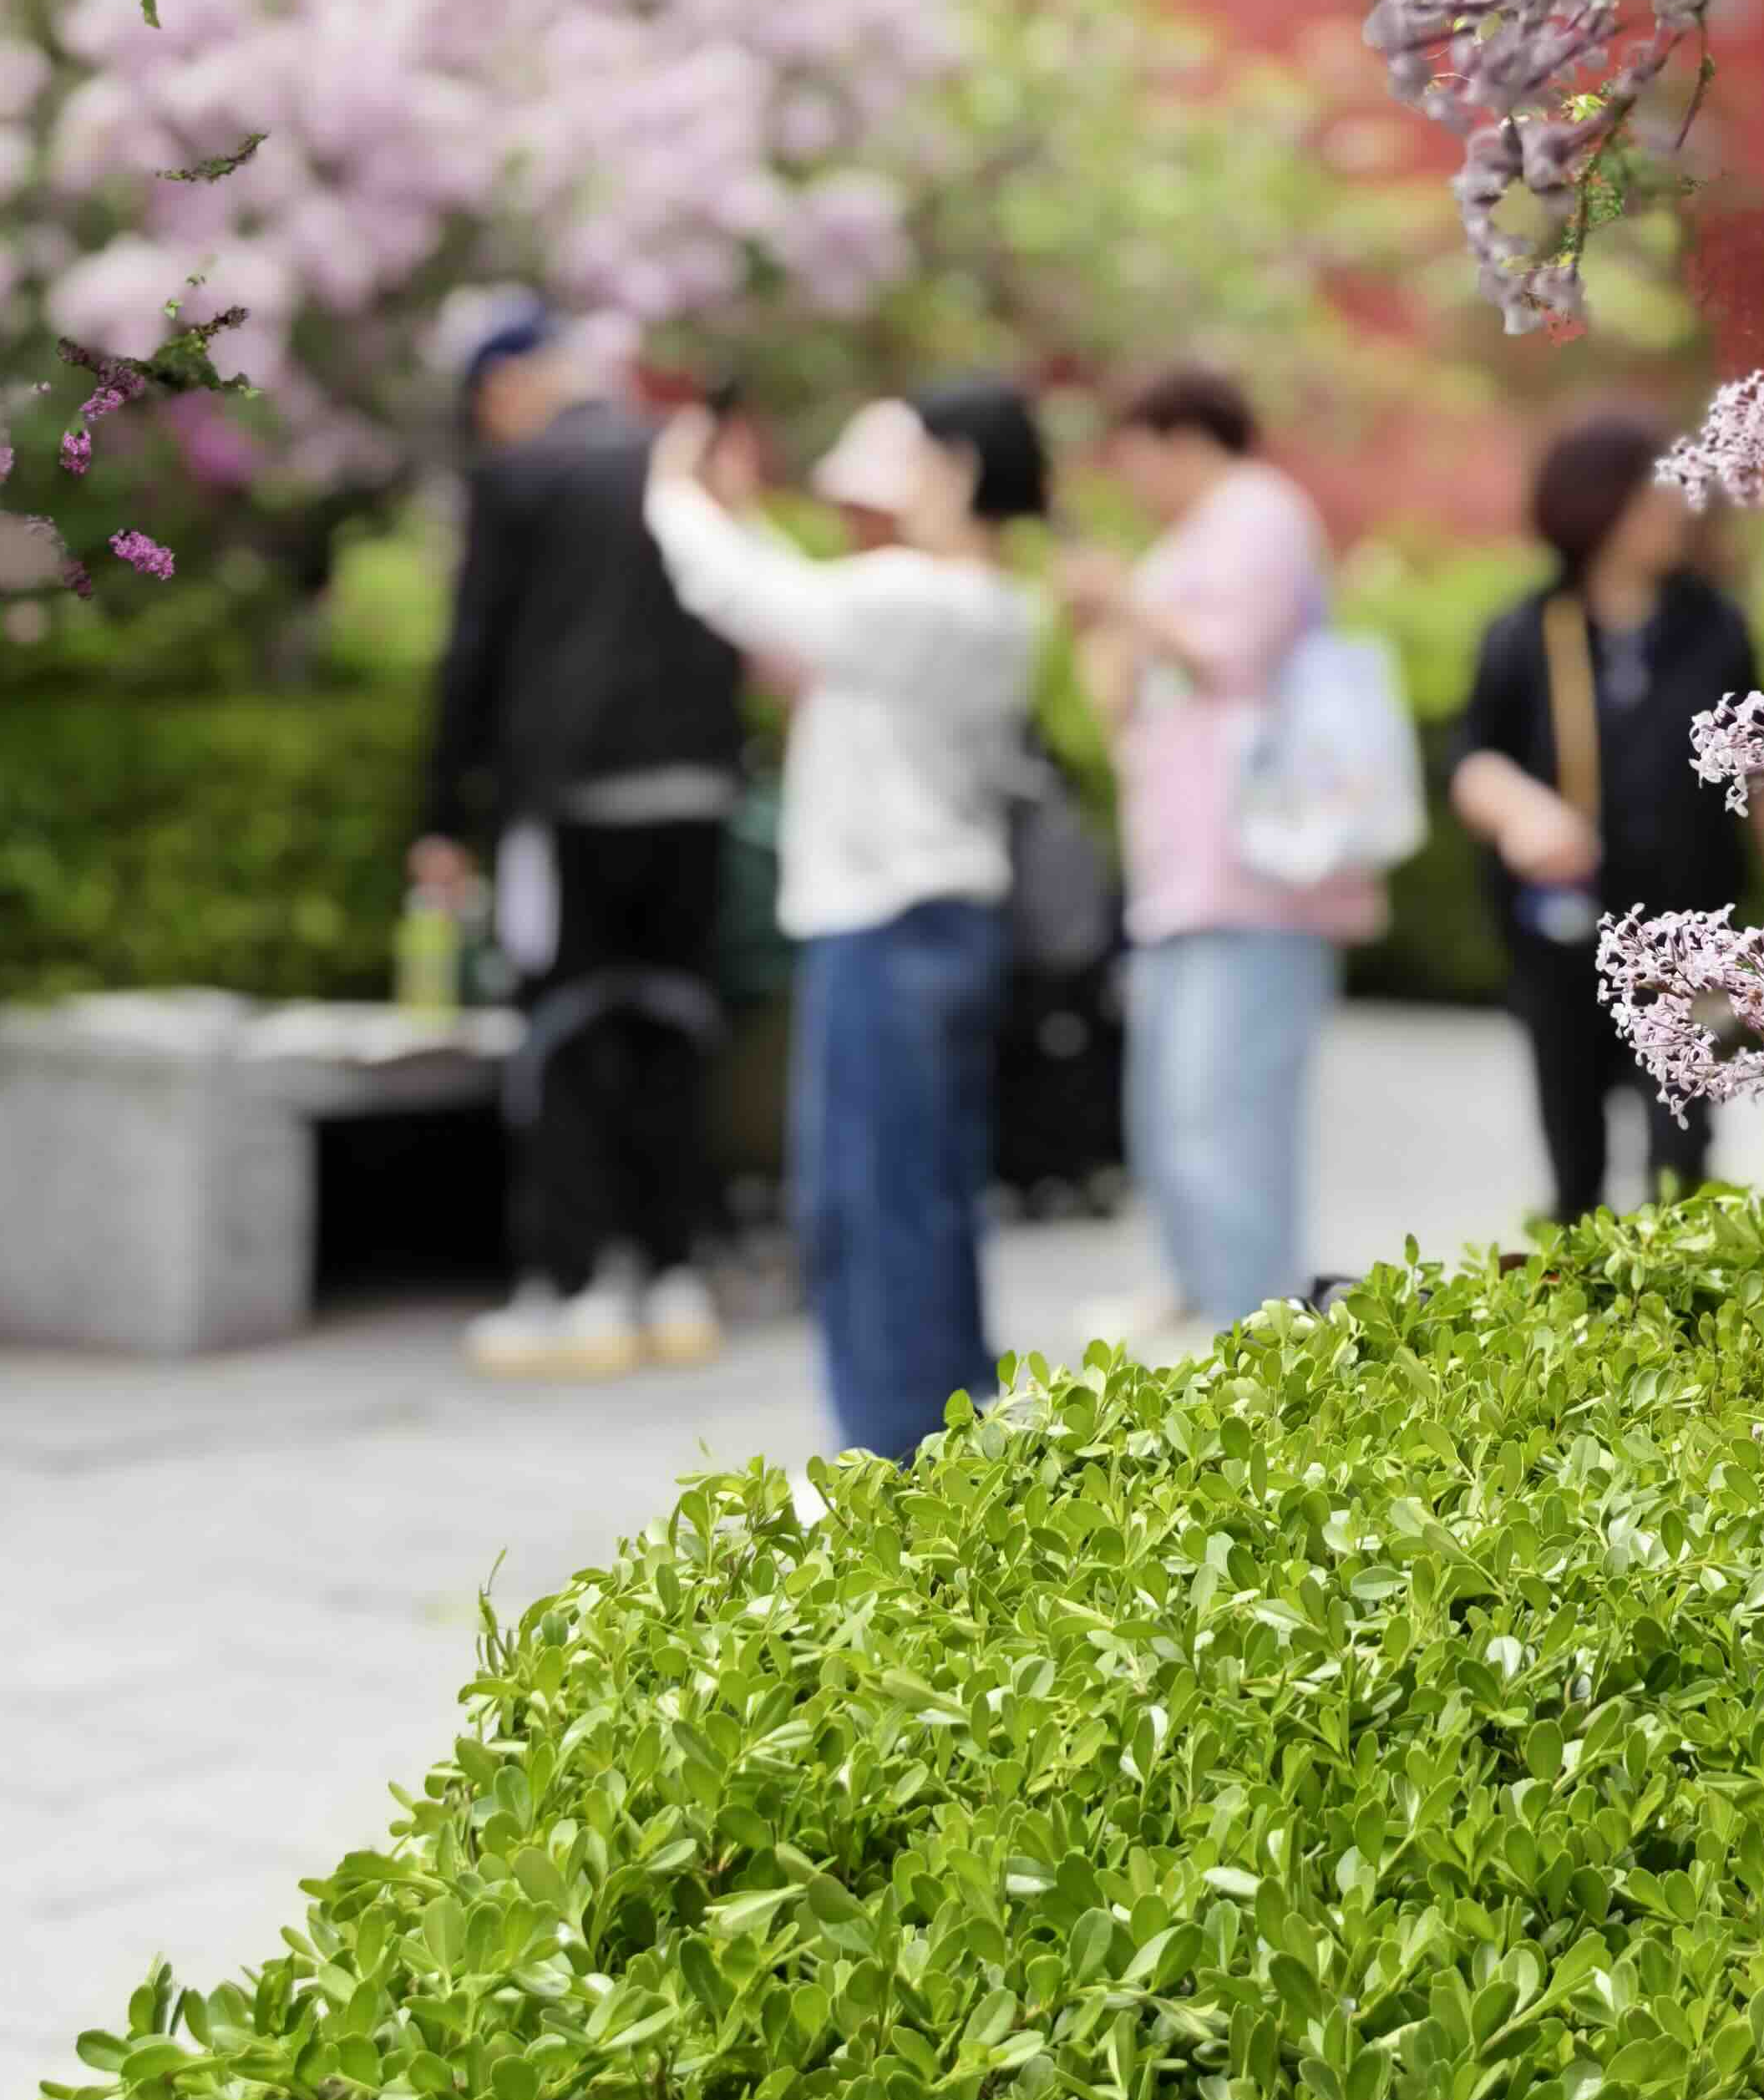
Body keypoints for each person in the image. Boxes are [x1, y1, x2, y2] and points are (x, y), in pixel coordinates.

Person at [643, 378, 1045, 1459]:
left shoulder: (921, 600)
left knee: (868, 1211)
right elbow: (804, 591)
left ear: (958, 471)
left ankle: (893, 1462)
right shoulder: (986, 600)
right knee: (924, 1202)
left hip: (889, 930)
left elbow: (754, 598)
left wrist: (674, 495)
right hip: (934, 929)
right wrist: (730, 506)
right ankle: (951, 1437)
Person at [413, 311, 748, 1377]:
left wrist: (440, 813)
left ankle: (578, 1285)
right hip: (696, 785)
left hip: (572, 795)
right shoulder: (679, 455)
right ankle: (674, 1275)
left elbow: (475, 650)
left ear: (511, 383)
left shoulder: (522, 475)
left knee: (566, 1027)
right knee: (678, 1023)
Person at [1055, 365, 1381, 1351]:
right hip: (1187, 876)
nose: (1137, 479)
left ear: (1184, 436)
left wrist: (1123, 600)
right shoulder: (1186, 538)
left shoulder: (1259, 512)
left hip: (1259, 878)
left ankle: (1259, 1320)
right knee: (1171, 1106)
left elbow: (1234, 654)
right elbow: (1126, 702)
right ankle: (1204, 1289)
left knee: (1228, 1110)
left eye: (1140, 455)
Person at [1450, 405, 1764, 1228]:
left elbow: (1763, 766)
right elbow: (1472, 758)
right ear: (1598, 504)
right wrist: (1525, 813)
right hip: (1565, 937)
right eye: (1655, 498)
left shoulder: (1713, 627)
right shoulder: (1527, 632)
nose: (1675, 515)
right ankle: (1577, 1327)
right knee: (1574, 1149)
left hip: (1691, 933)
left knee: (1682, 1153)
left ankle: (1676, 1325)